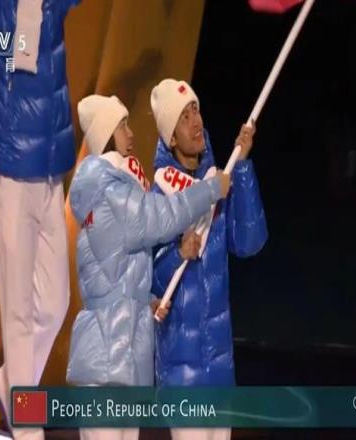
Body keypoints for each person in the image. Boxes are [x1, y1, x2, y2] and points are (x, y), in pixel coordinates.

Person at [66, 95, 231, 440]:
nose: (131, 134)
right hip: (105, 363)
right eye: (123, 126)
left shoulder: (116, 191)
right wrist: (210, 190)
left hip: (123, 361)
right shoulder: (109, 192)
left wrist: (147, 302)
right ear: (107, 134)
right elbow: (160, 216)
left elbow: (117, 277)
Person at [0, 1, 80, 438]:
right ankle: (26, 423)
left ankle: (11, 384)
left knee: (54, 304)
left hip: (52, 172)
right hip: (14, 171)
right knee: (17, 311)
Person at [150, 79, 268, 440]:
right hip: (182, 374)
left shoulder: (218, 181)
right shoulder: (159, 195)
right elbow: (146, 279)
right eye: (184, 117)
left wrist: (242, 168)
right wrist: (177, 254)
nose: (196, 121)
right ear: (171, 137)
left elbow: (248, 242)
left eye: (196, 110)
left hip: (219, 369)